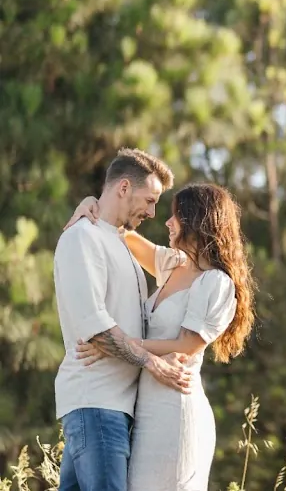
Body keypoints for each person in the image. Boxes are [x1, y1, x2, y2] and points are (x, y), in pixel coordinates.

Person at [65, 182, 257, 490]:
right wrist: (90, 202)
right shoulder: (174, 264)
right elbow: (121, 231)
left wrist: (117, 344)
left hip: (175, 408)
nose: (167, 222)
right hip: (145, 408)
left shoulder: (215, 283)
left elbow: (186, 346)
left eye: (176, 216)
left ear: (197, 221)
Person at [53, 147, 192, 491]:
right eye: (150, 200)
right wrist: (152, 362)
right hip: (97, 403)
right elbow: (96, 329)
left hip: (115, 406)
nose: (153, 211)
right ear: (124, 187)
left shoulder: (118, 241)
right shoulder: (82, 237)